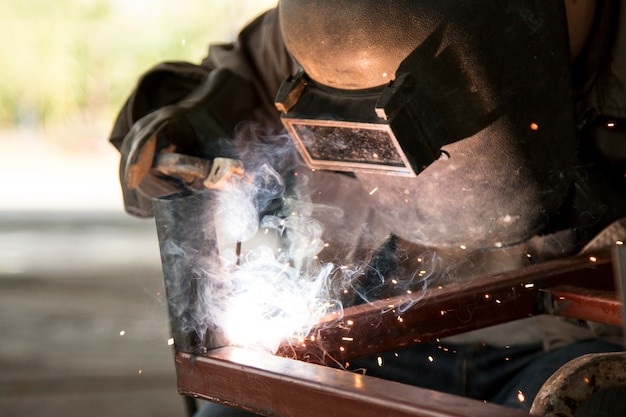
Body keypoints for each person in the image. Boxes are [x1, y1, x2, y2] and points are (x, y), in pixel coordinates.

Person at [110, 0, 626, 414]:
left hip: (564, 351)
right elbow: (226, 82)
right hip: (366, 345)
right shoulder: (325, 28)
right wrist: (187, 122)